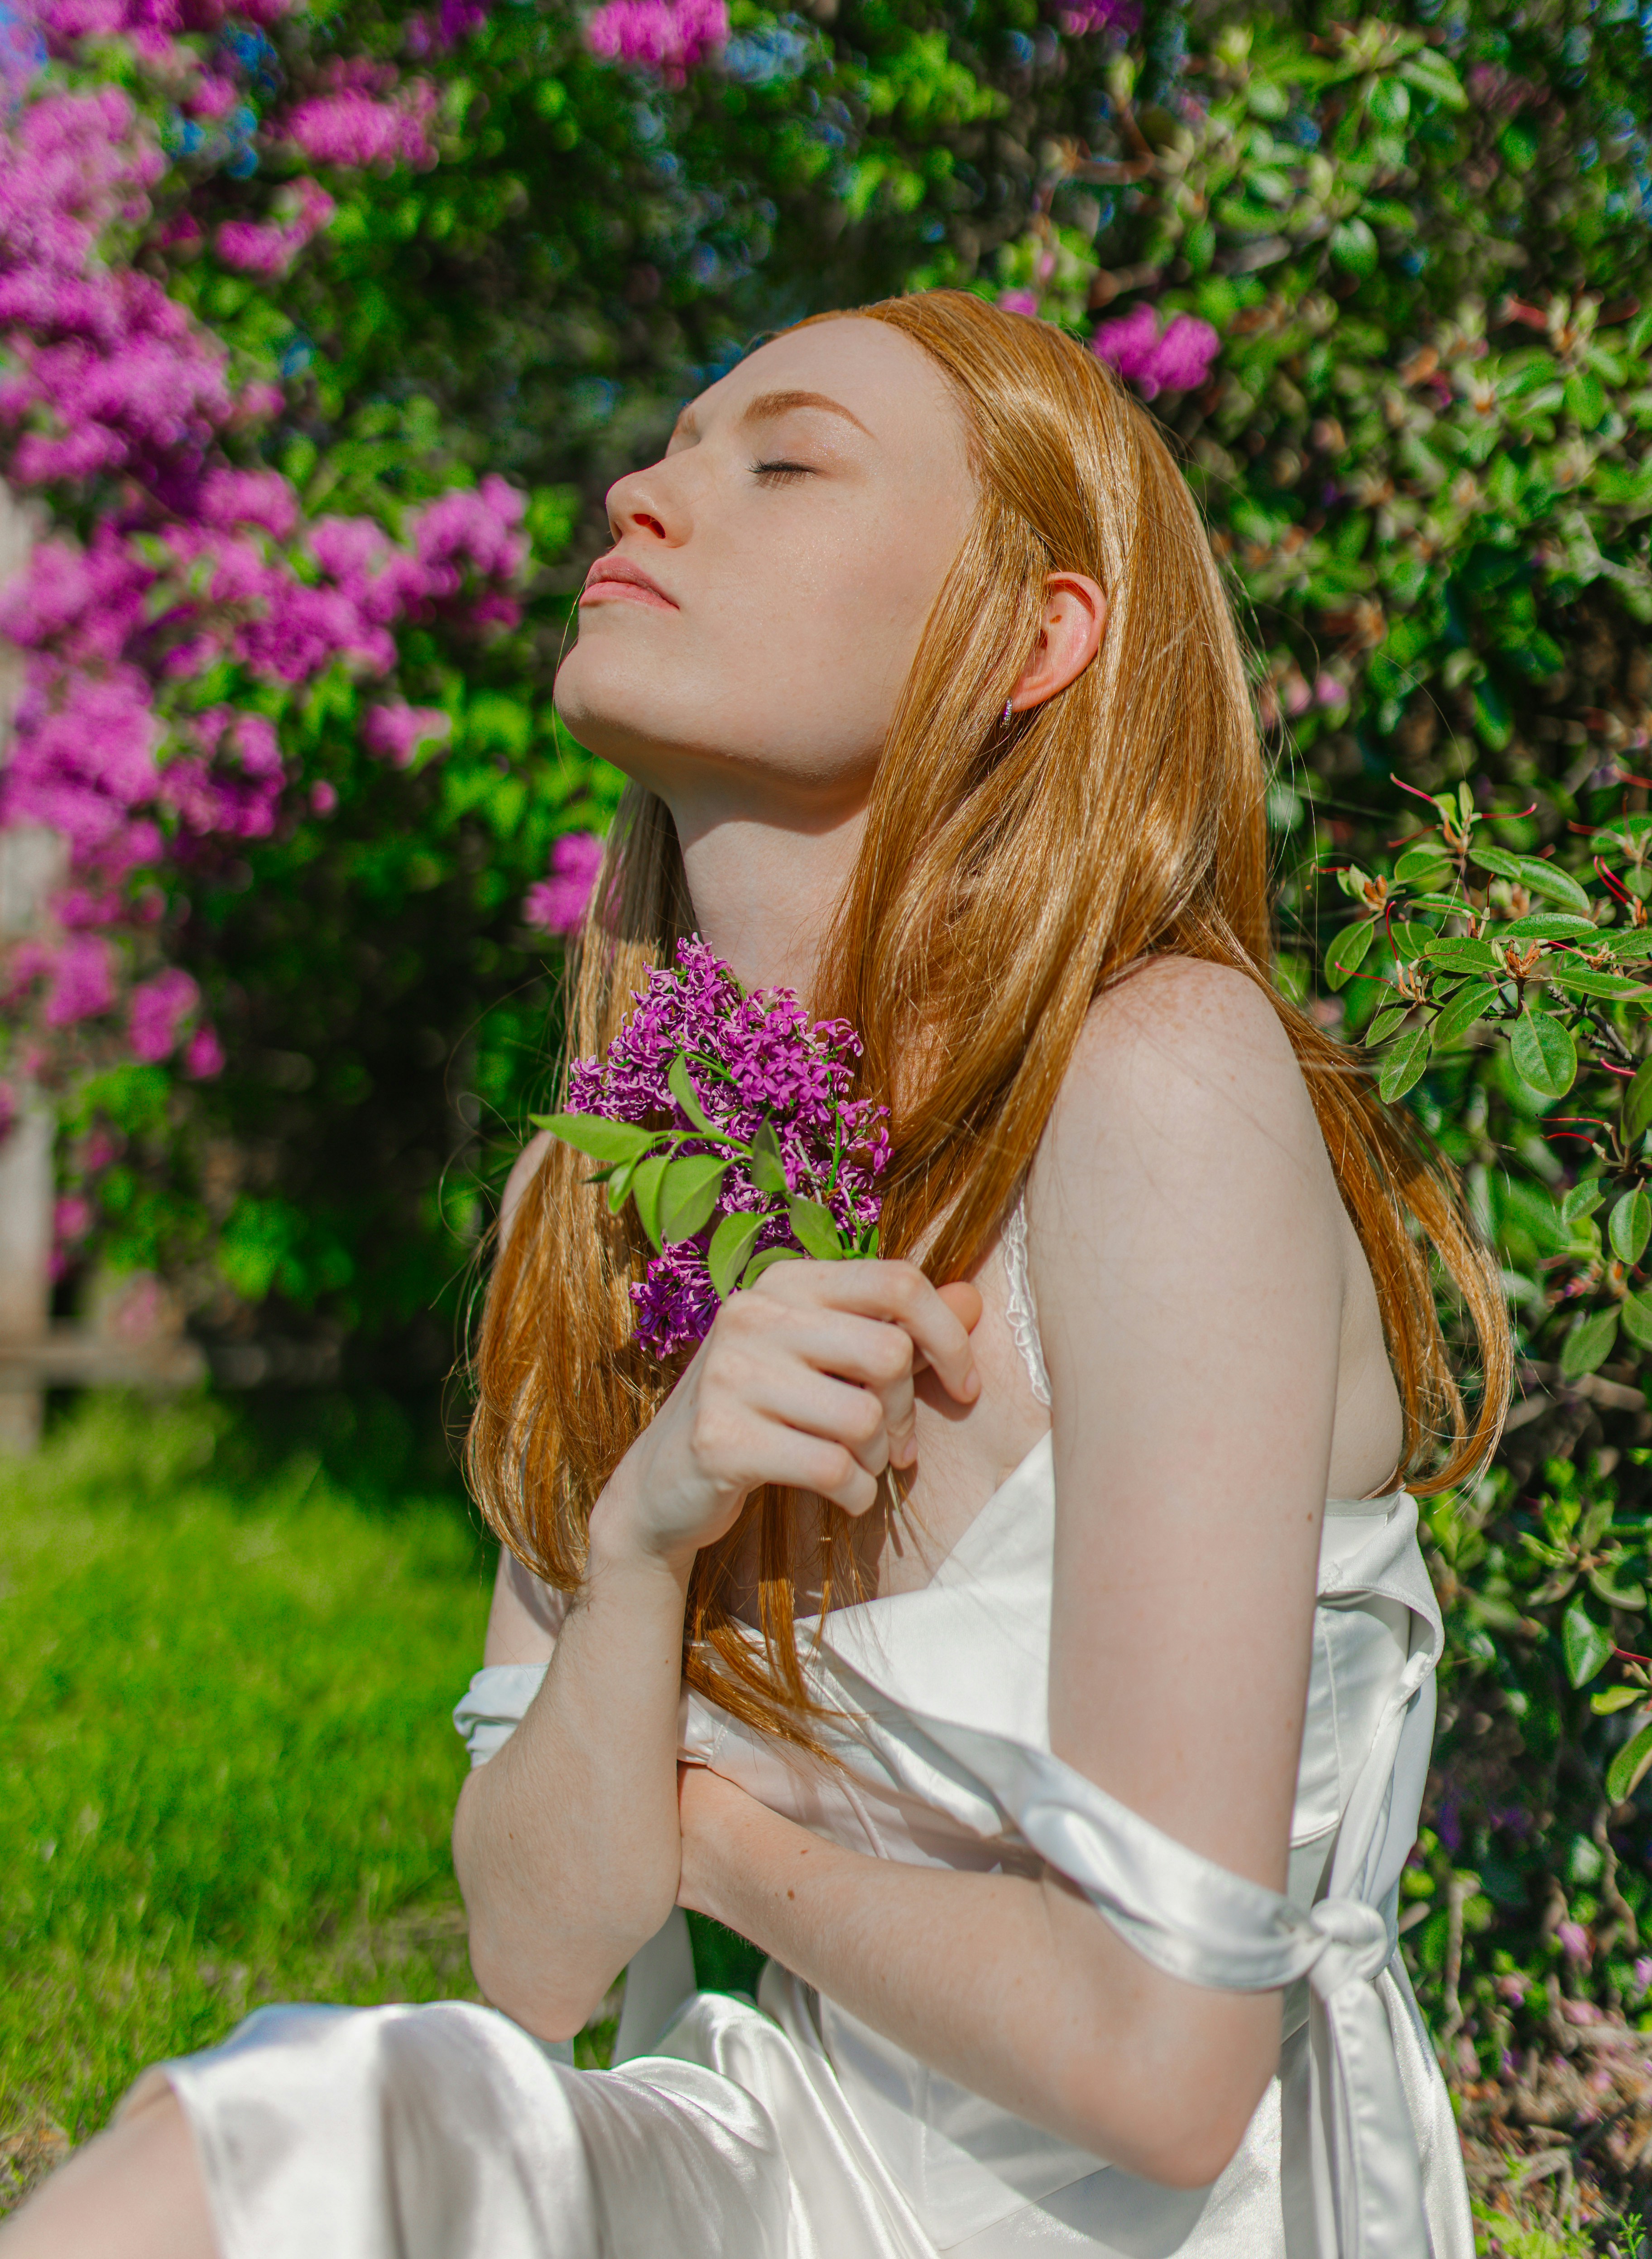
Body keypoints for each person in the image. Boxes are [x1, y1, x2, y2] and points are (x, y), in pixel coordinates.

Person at [2, 290, 1510, 2259]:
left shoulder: (1158, 1083)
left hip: (1146, 2232)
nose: (642, 490)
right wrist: (640, 1544)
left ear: (1033, 639)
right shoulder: (619, 1176)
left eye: (783, 460)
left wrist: (705, 1827)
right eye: (674, 444)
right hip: (777, 2161)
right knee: (298, 2133)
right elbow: (536, 1960)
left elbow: (1166, 2067)